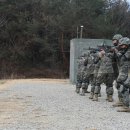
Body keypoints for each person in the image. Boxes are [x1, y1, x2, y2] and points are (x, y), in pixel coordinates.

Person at [113, 37, 130, 112]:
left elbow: (124, 58)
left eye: (123, 45)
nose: (122, 47)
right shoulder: (125, 51)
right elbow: (118, 57)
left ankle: (126, 106)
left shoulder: (128, 51)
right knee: (121, 85)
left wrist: (116, 51)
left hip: (127, 72)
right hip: (125, 72)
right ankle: (124, 103)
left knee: (124, 86)